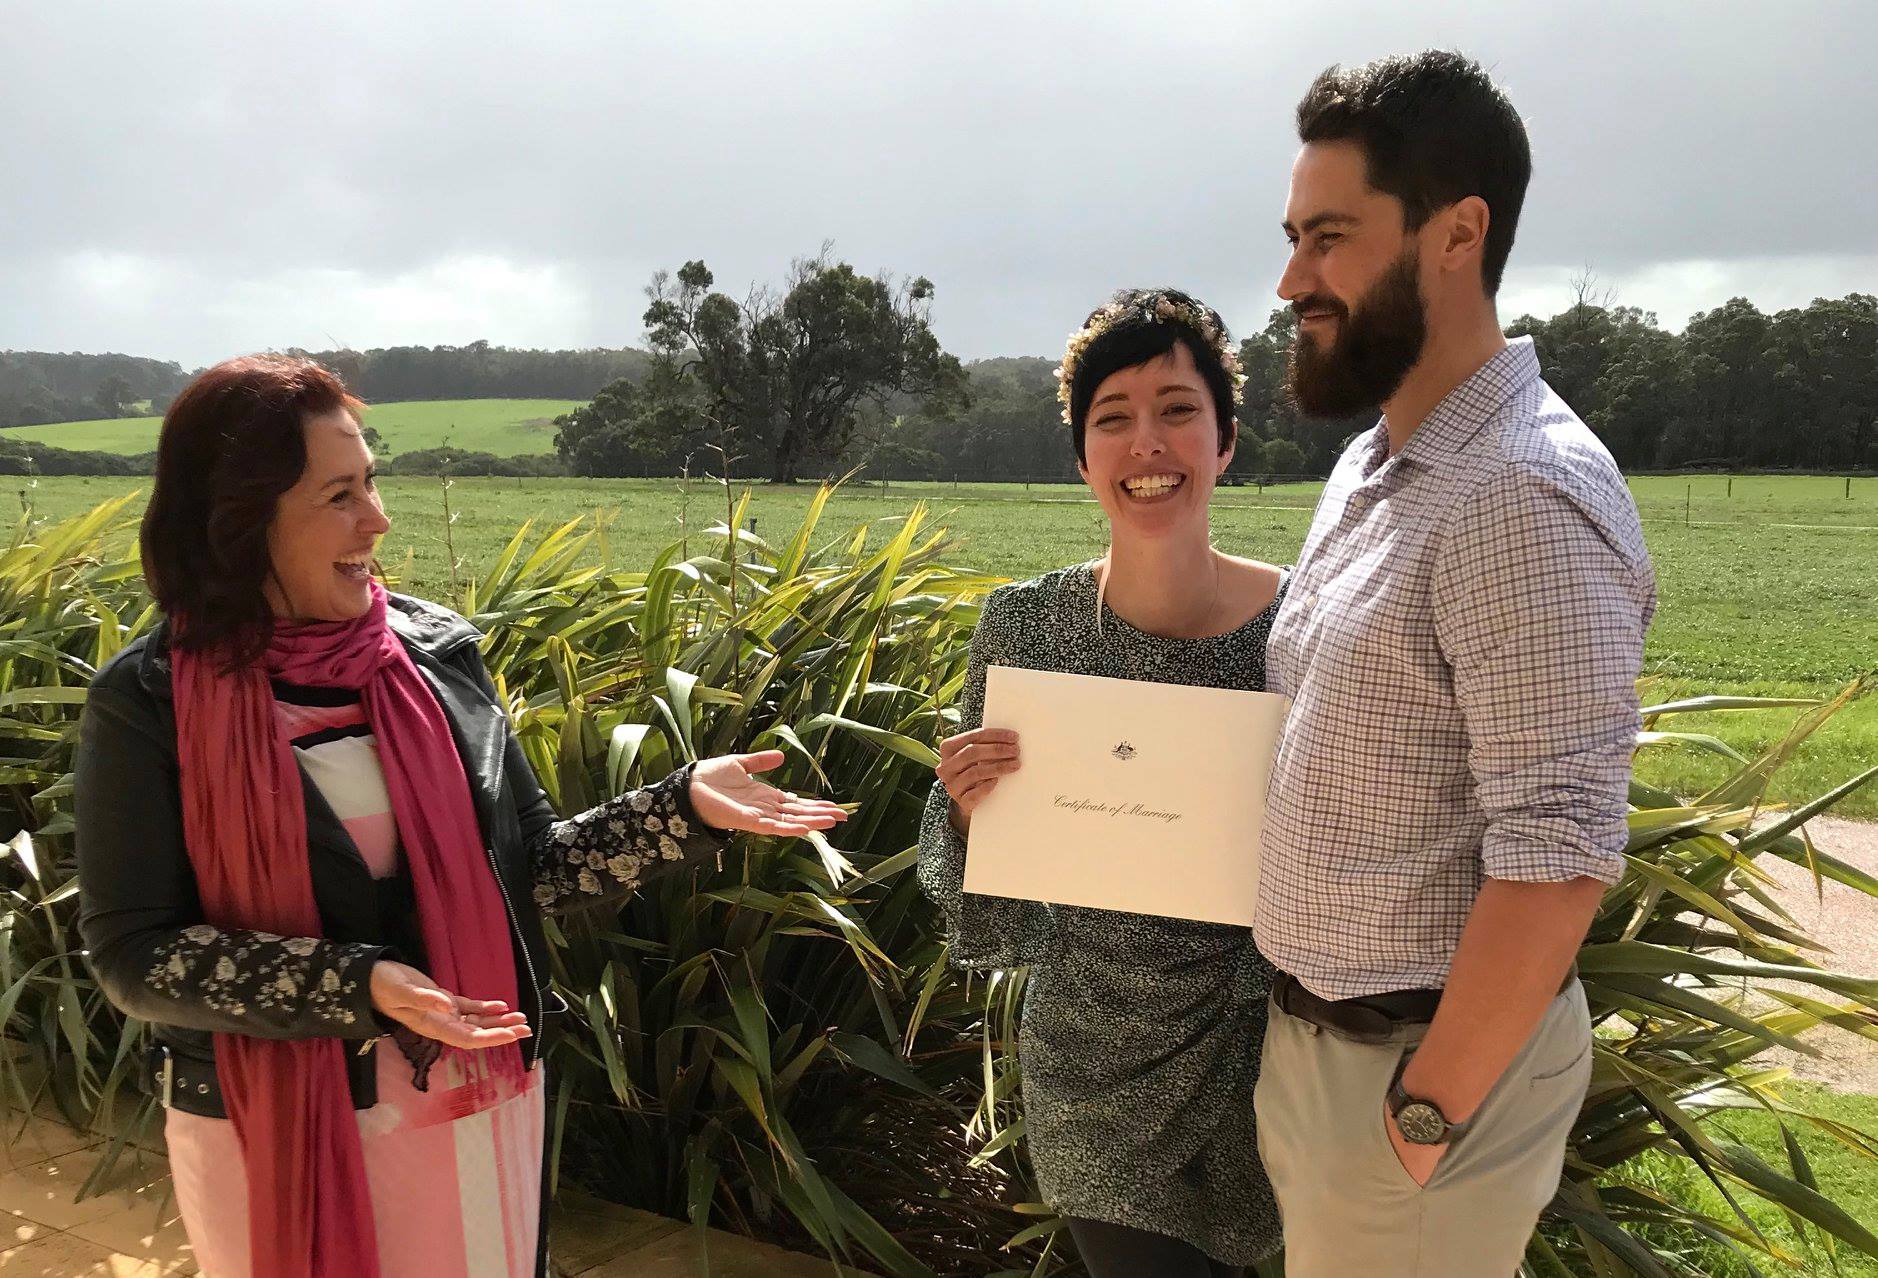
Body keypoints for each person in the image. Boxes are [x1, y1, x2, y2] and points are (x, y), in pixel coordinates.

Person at [73, 355, 846, 1278]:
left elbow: (529, 866)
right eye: (338, 496)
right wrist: (358, 985)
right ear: (242, 522)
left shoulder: (435, 656)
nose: (377, 520)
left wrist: (678, 810)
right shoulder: (150, 700)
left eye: (373, 484)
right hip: (271, 1123)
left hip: (471, 1107)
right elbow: (133, 954)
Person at [1251, 52, 1657, 1278]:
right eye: (1292, 237)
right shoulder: (1384, 457)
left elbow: (1560, 850)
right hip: (1336, 1059)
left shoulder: (1521, 493)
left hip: (1420, 1084)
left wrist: (1422, 1124)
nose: (1291, 281)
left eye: (1329, 238)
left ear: (1457, 233)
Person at [918, 289, 1287, 1278]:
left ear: (1226, 439)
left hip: (1280, 1068)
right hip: (1094, 1078)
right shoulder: (1026, 628)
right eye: (1112, 419)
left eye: (1176, 409)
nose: (1146, 443)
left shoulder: (1304, 629)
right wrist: (967, 811)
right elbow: (983, 925)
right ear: (1083, 458)